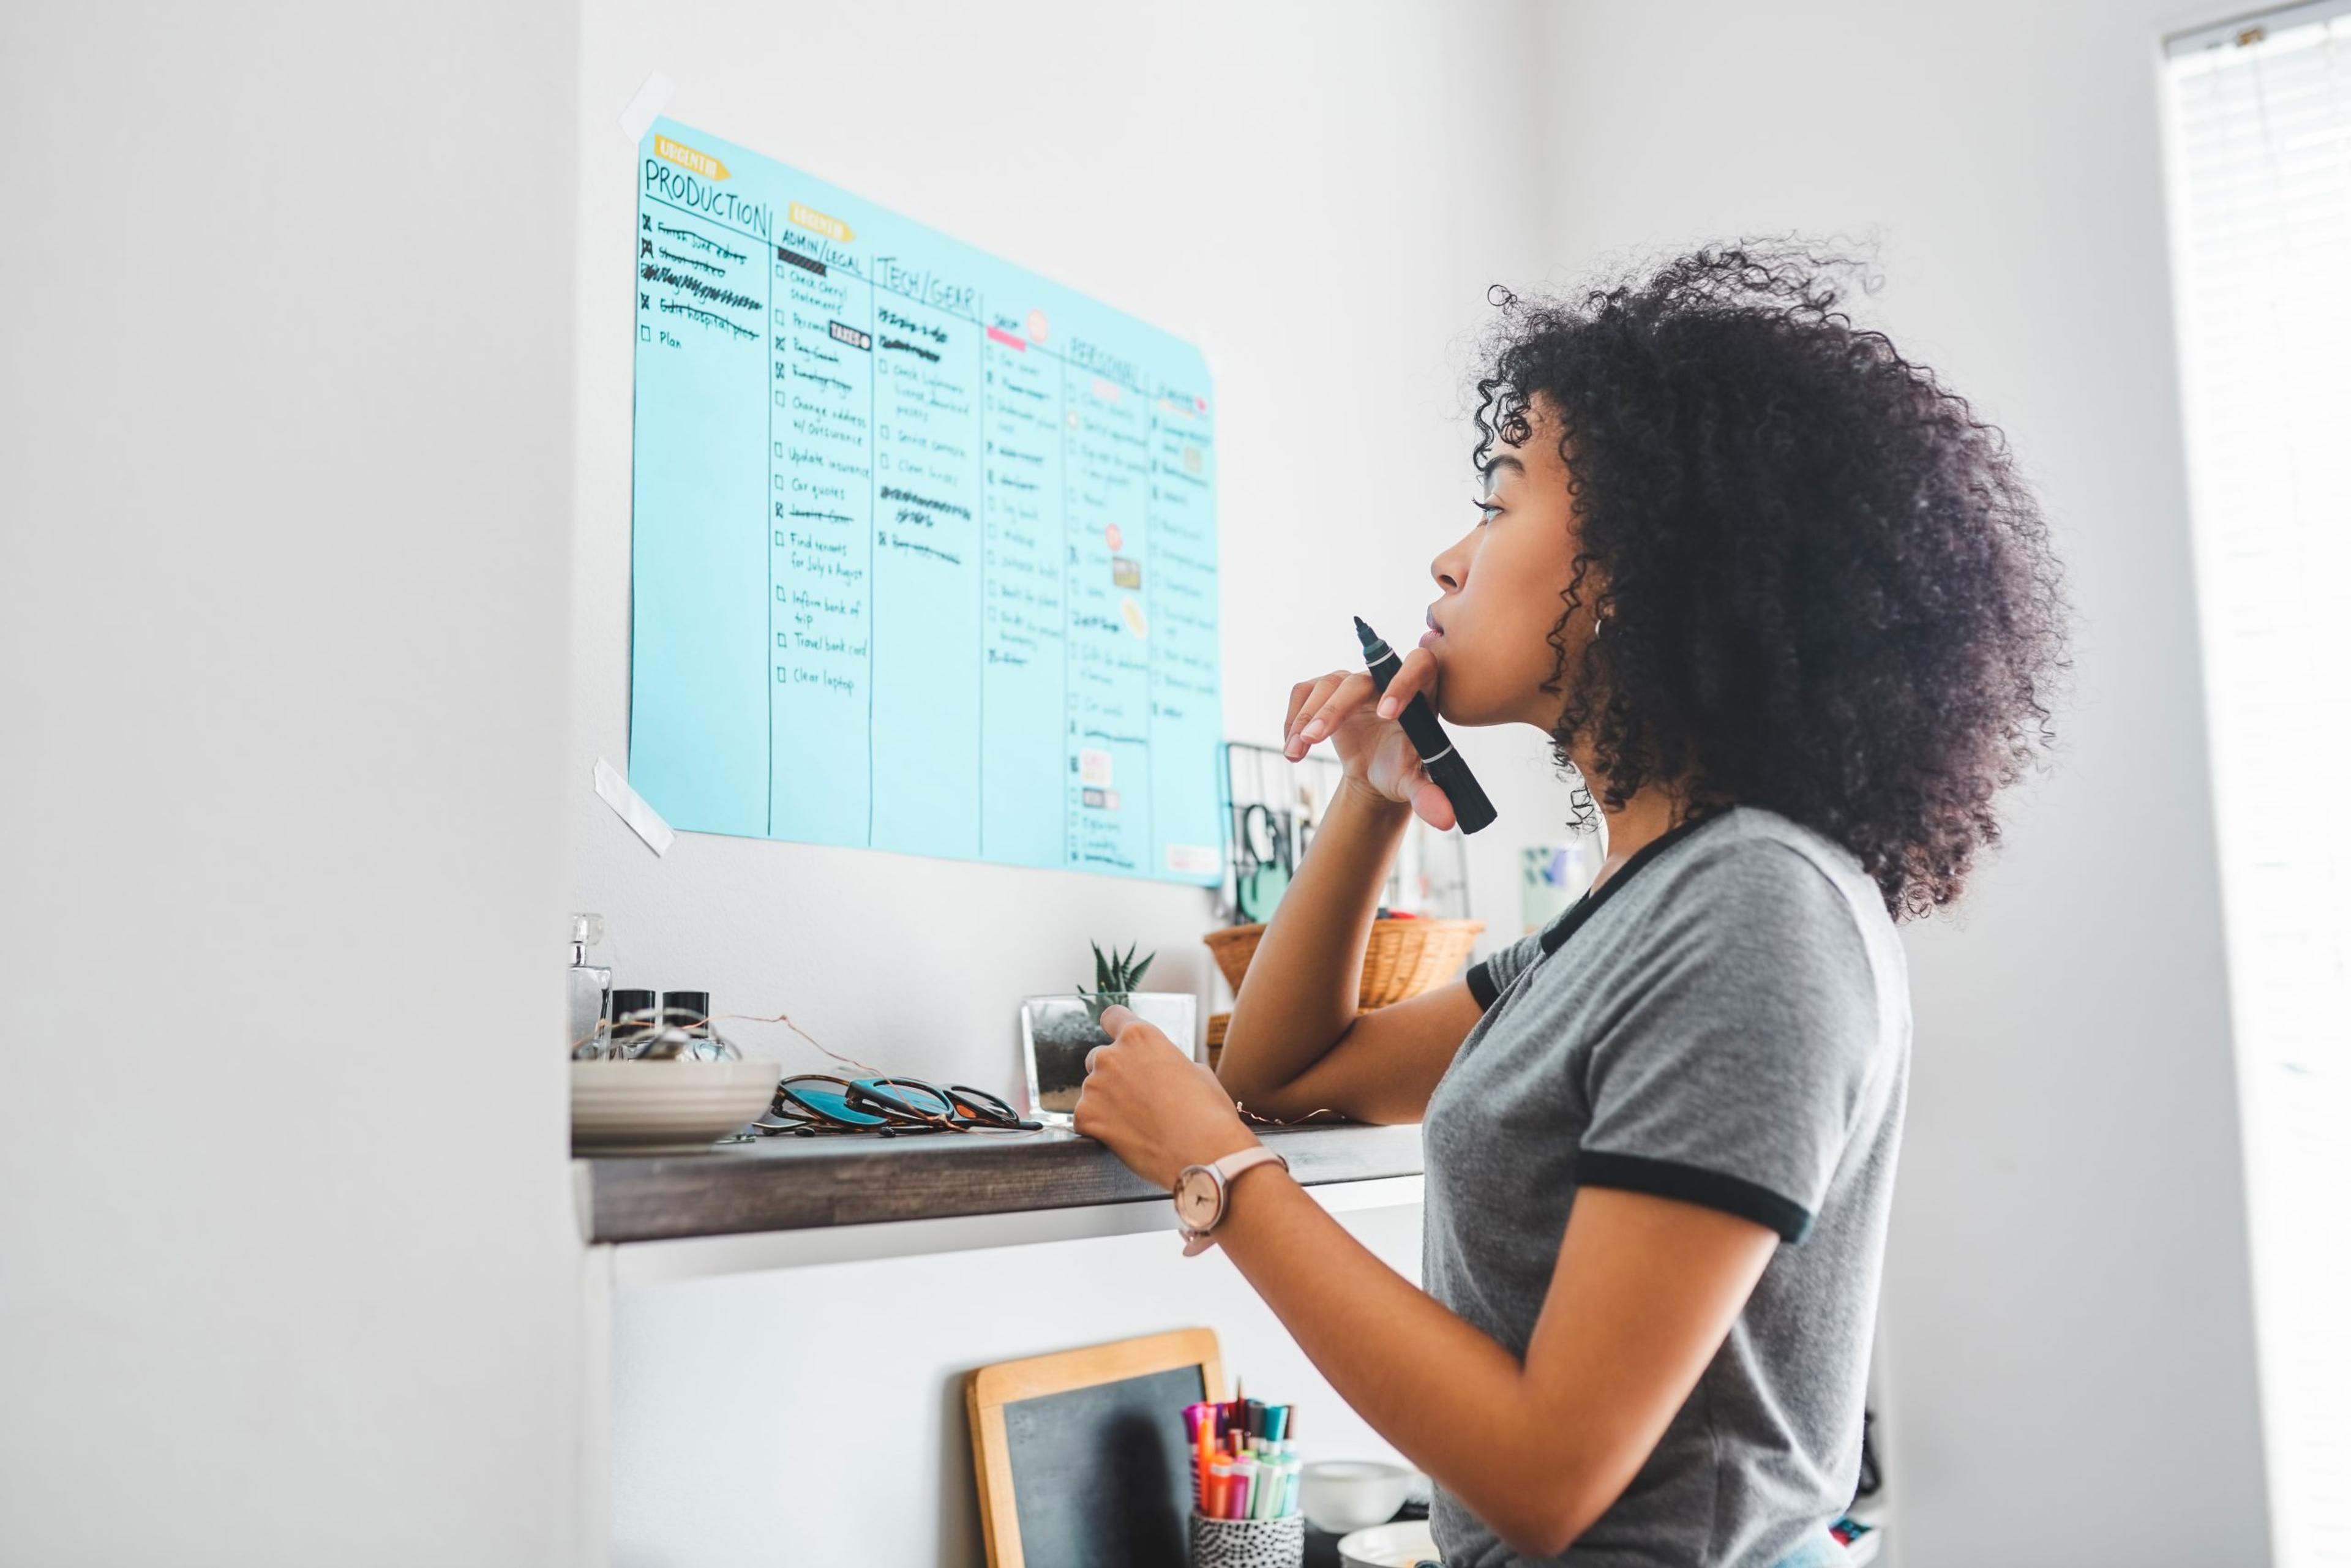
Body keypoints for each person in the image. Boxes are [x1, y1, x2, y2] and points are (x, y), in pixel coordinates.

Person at [1073, 246, 2067, 1567]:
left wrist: (1223, 1184)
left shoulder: (1756, 911)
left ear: (1643, 563)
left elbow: (1552, 1476)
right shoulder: (1635, 913)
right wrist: (1374, 792)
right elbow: (1287, 1068)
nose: (1446, 556)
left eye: (1497, 502)